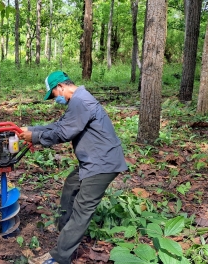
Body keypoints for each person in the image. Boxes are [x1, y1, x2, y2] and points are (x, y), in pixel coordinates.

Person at [20, 71, 128, 264]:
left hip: (102, 164)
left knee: (82, 210)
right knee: (71, 184)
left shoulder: (80, 101)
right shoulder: (78, 100)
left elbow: (64, 133)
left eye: (53, 94)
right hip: (94, 161)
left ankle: (59, 257)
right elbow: (59, 124)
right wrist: (32, 130)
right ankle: (64, 227)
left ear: (60, 87)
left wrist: (35, 138)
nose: (55, 99)